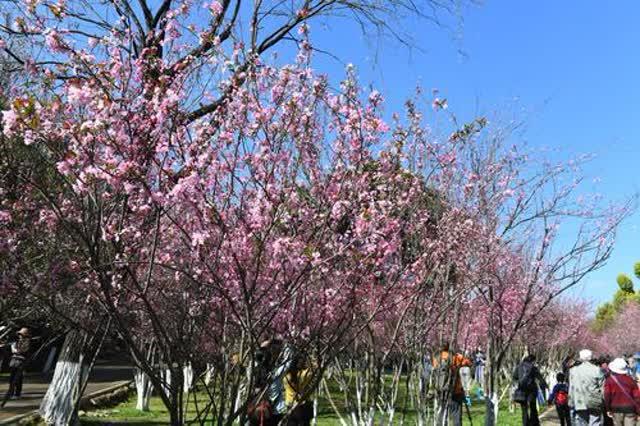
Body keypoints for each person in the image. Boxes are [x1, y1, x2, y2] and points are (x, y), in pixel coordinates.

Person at [432, 343, 473, 426]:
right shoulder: (456, 357)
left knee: (442, 414)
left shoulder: (436, 357)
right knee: (456, 415)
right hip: (455, 391)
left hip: (442, 391)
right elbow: (468, 363)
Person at [570, 349, 605, 426]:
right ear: (591, 357)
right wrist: (603, 402)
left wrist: (571, 402)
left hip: (579, 401)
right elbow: (603, 388)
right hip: (594, 401)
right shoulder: (597, 370)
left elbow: (571, 388)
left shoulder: (573, 370)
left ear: (580, 357)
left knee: (582, 422)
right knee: (595, 422)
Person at [512, 354, 547, 426]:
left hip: (522, 391)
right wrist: (545, 385)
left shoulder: (519, 367)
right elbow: (540, 378)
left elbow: (514, 377)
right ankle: (534, 423)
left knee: (524, 409)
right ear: (532, 360)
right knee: (533, 407)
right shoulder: (533, 368)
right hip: (532, 391)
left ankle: (525, 424)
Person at [604, 358, 640, 426]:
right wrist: (638, 410)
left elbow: (607, 396)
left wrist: (608, 408)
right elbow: (637, 397)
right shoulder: (630, 380)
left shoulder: (609, 380)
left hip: (616, 408)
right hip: (630, 408)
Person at [1, 328, 31, 406]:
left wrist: (14, 349)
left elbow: (22, 350)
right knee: (13, 378)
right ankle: (12, 392)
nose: (20, 335)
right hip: (14, 361)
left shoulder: (27, 342)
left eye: (21, 334)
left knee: (17, 378)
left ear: (25, 335)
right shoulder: (17, 341)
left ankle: (16, 394)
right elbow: (11, 348)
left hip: (21, 361)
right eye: (19, 334)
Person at [283, 353, 313, 426]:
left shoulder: (286, 376)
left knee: (291, 423)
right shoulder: (303, 375)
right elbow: (313, 369)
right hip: (301, 404)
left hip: (290, 404)